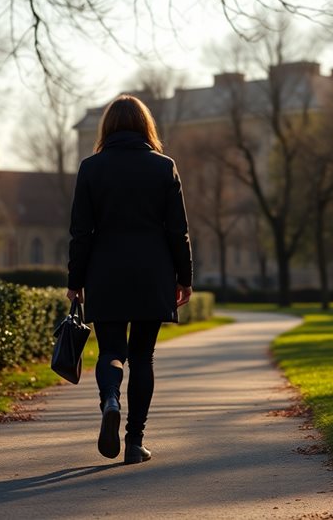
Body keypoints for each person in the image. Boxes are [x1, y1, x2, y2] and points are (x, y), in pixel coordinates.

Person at [66, 94, 193, 465]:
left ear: (107, 128)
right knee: (143, 356)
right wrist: (184, 277)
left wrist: (75, 280)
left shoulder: (91, 168)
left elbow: (81, 232)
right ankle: (134, 442)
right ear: (146, 126)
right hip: (152, 273)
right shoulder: (164, 167)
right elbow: (178, 231)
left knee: (111, 353)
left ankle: (110, 400)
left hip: (105, 273)